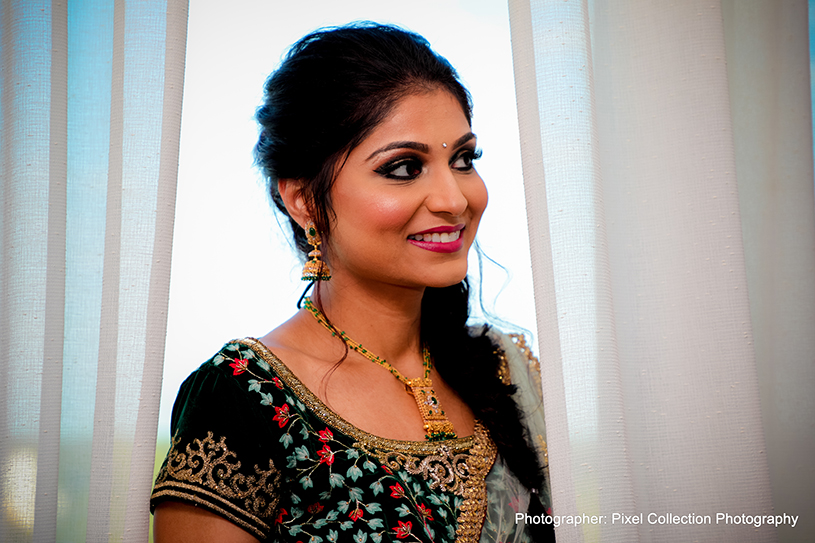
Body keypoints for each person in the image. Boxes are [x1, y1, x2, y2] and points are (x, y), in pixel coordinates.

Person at [151, 22, 553, 542]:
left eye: (463, 160)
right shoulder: (246, 396)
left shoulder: (504, 371)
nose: (455, 199)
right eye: (405, 168)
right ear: (304, 199)